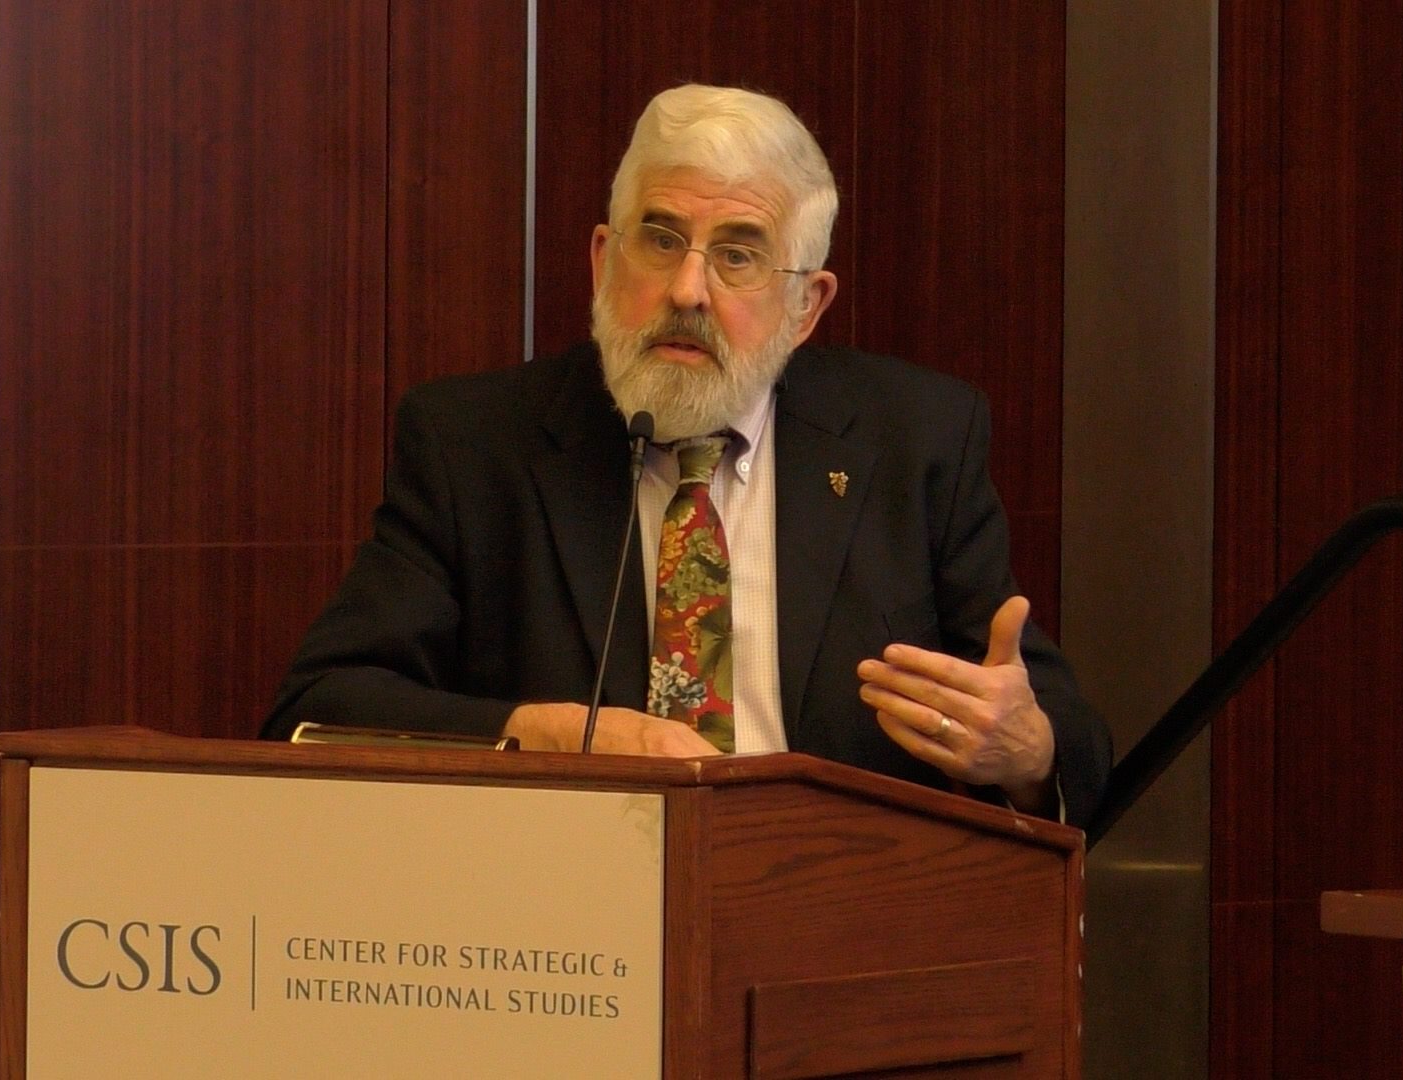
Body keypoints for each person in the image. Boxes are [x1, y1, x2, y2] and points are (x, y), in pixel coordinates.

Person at [263, 85, 1110, 826]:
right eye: (661, 239)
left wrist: (1027, 753)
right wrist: (555, 735)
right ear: (604, 260)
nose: (687, 290)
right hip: (563, 915)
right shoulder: (477, 444)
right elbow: (318, 711)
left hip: (837, 904)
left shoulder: (914, 438)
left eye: (738, 254)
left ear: (806, 307)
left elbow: (1062, 740)